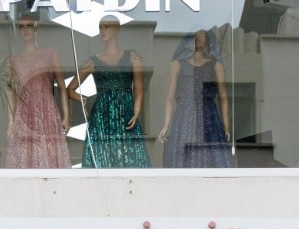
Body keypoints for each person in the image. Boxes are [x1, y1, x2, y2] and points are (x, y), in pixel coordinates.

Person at [72, 15, 149, 169]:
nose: (103, 30)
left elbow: (139, 88)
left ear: (117, 28)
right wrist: (83, 100)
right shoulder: (93, 61)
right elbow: (70, 89)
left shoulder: (132, 57)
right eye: (100, 27)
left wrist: (136, 112)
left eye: (107, 26)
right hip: (101, 116)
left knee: (129, 157)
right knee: (102, 159)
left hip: (126, 114)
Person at [157, 29, 232, 169]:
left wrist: (226, 126)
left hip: (209, 117)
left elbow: (223, 97)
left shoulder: (216, 65)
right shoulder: (177, 64)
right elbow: (170, 97)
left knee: (211, 158)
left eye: (201, 33)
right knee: (182, 157)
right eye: (194, 33)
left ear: (208, 38)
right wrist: (166, 125)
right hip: (184, 117)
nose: (197, 36)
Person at [5, 13, 69, 169]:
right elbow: (10, 91)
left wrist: (67, 116)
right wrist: (10, 121)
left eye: (29, 25)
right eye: (21, 27)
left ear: (36, 28)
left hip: (46, 111)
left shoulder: (50, 54)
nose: (25, 30)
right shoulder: (12, 60)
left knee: (49, 153)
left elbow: (61, 85)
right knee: (25, 154)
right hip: (24, 112)